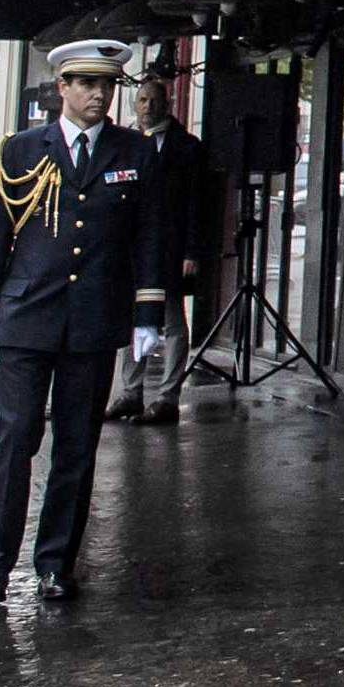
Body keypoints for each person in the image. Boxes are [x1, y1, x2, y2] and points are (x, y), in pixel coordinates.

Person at [0, 40, 168, 609]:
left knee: (77, 448)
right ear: (63, 88)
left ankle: (54, 565)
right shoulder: (23, 149)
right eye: (85, 84)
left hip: (94, 322)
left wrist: (148, 313)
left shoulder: (136, 152)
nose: (98, 95)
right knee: (15, 441)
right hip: (27, 319)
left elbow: (151, 237)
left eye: (106, 86)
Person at [106, 73, 212, 426]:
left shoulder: (187, 147)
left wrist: (192, 252)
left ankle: (167, 396)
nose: (148, 106)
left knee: (171, 320)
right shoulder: (123, 143)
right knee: (131, 318)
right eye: (142, 100)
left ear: (167, 104)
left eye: (154, 100)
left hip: (170, 247)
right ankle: (129, 394)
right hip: (131, 249)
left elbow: (200, 203)